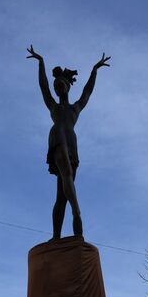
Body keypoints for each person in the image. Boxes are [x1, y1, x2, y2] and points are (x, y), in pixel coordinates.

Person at [26, 45, 110, 239]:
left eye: (60, 84)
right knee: (67, 176)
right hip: (58, 137)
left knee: (62, 193)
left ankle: (56, 236)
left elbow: (88, 91)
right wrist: (41, 62)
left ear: (68, 85)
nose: (57, 87)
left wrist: (94, 70)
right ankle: (77, 212)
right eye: (55, 86)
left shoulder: (76, 108)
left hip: (72, 144)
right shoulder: (53, 107)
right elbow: (43, 86)